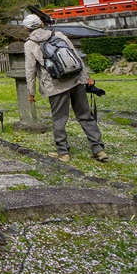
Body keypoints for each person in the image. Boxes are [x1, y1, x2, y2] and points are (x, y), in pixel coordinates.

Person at [23, 14, 109, 163]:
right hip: (75, 80)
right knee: (85, 115)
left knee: (59, 119)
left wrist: (31, 92)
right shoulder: (59, 34)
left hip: (55, 85)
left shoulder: (30, 44)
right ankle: (98, 149)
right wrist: (86, 77)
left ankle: (63, 152)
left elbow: (30, 70)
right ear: (42, 24)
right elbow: (75, 56)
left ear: (26, 29)